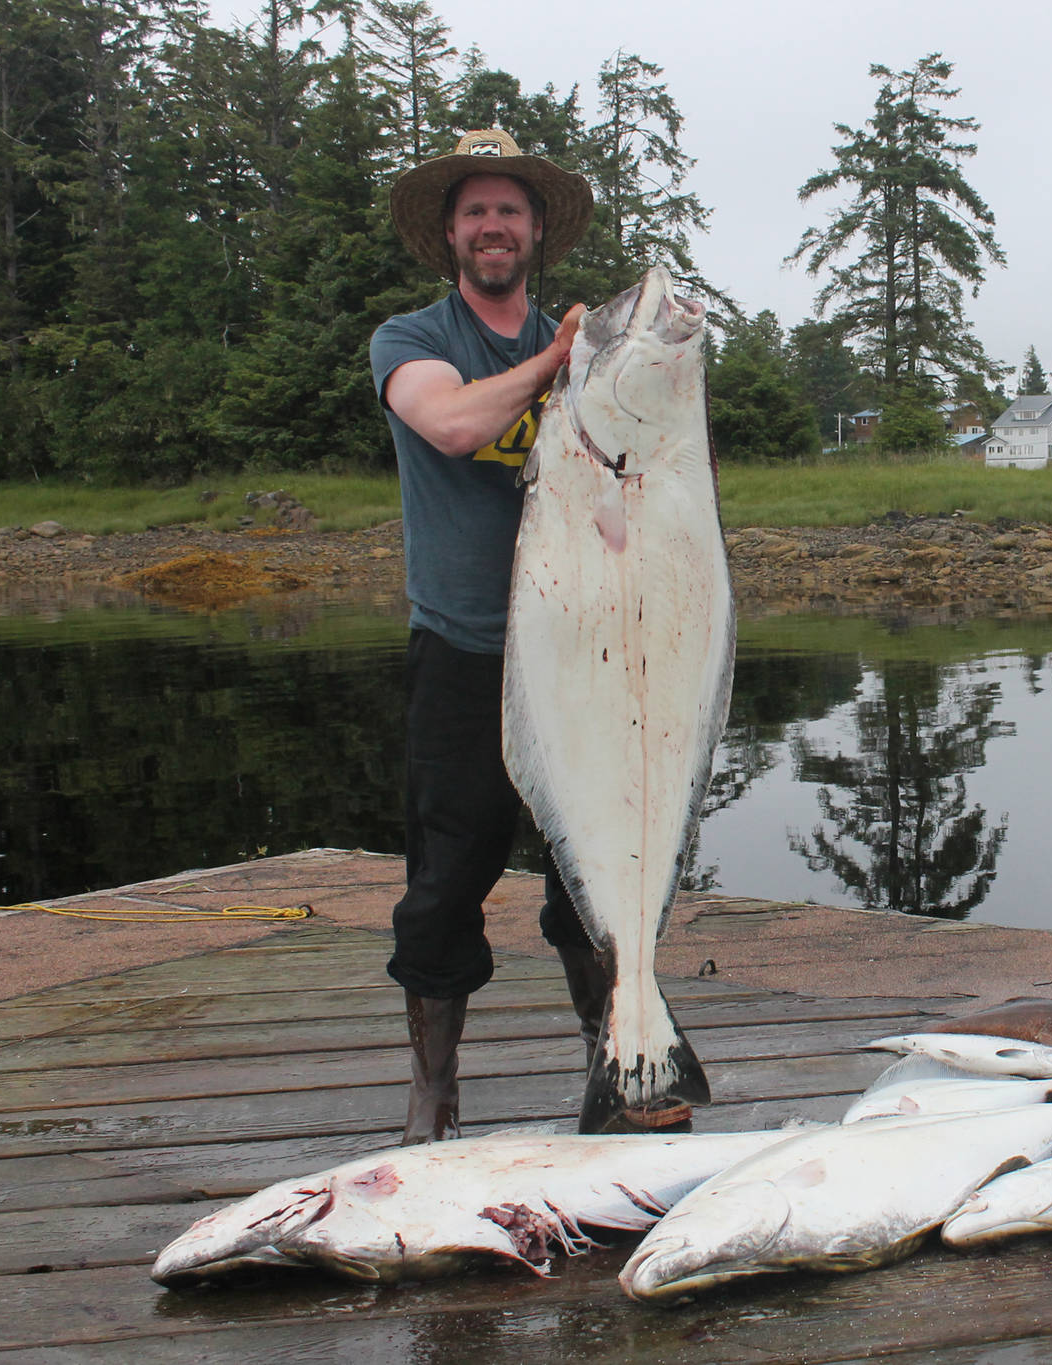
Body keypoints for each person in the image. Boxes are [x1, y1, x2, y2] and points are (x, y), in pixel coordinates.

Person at [370, 129, 681, 1142]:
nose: (493, 226)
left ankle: (622, 1060)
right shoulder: (411, 342)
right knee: (445, 879)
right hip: (464, 652)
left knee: (590, 872)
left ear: (535, 230)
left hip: (587, 657)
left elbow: (649, 473)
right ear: (449, 236)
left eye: (510, 210)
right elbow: (452, 427)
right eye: (475, 212)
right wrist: (557, 362)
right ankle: (433, 1095)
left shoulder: (597, 353)